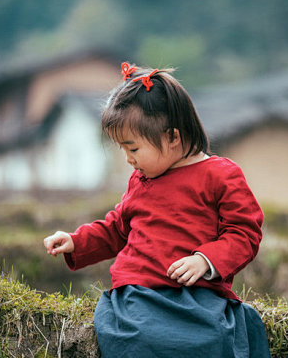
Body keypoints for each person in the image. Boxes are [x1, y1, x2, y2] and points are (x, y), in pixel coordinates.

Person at [43, 63, 271, 358]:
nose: (128, 159)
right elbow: (117, 228)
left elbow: (244, 233)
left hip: (197, 298)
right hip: (138, 297)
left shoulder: (221, 175)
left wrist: (205, 260)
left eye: (134, 149)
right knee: (137, 340)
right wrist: (77, 241)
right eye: (122, 150)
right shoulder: (141, 180)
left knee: (212, 342)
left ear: (173, 137)